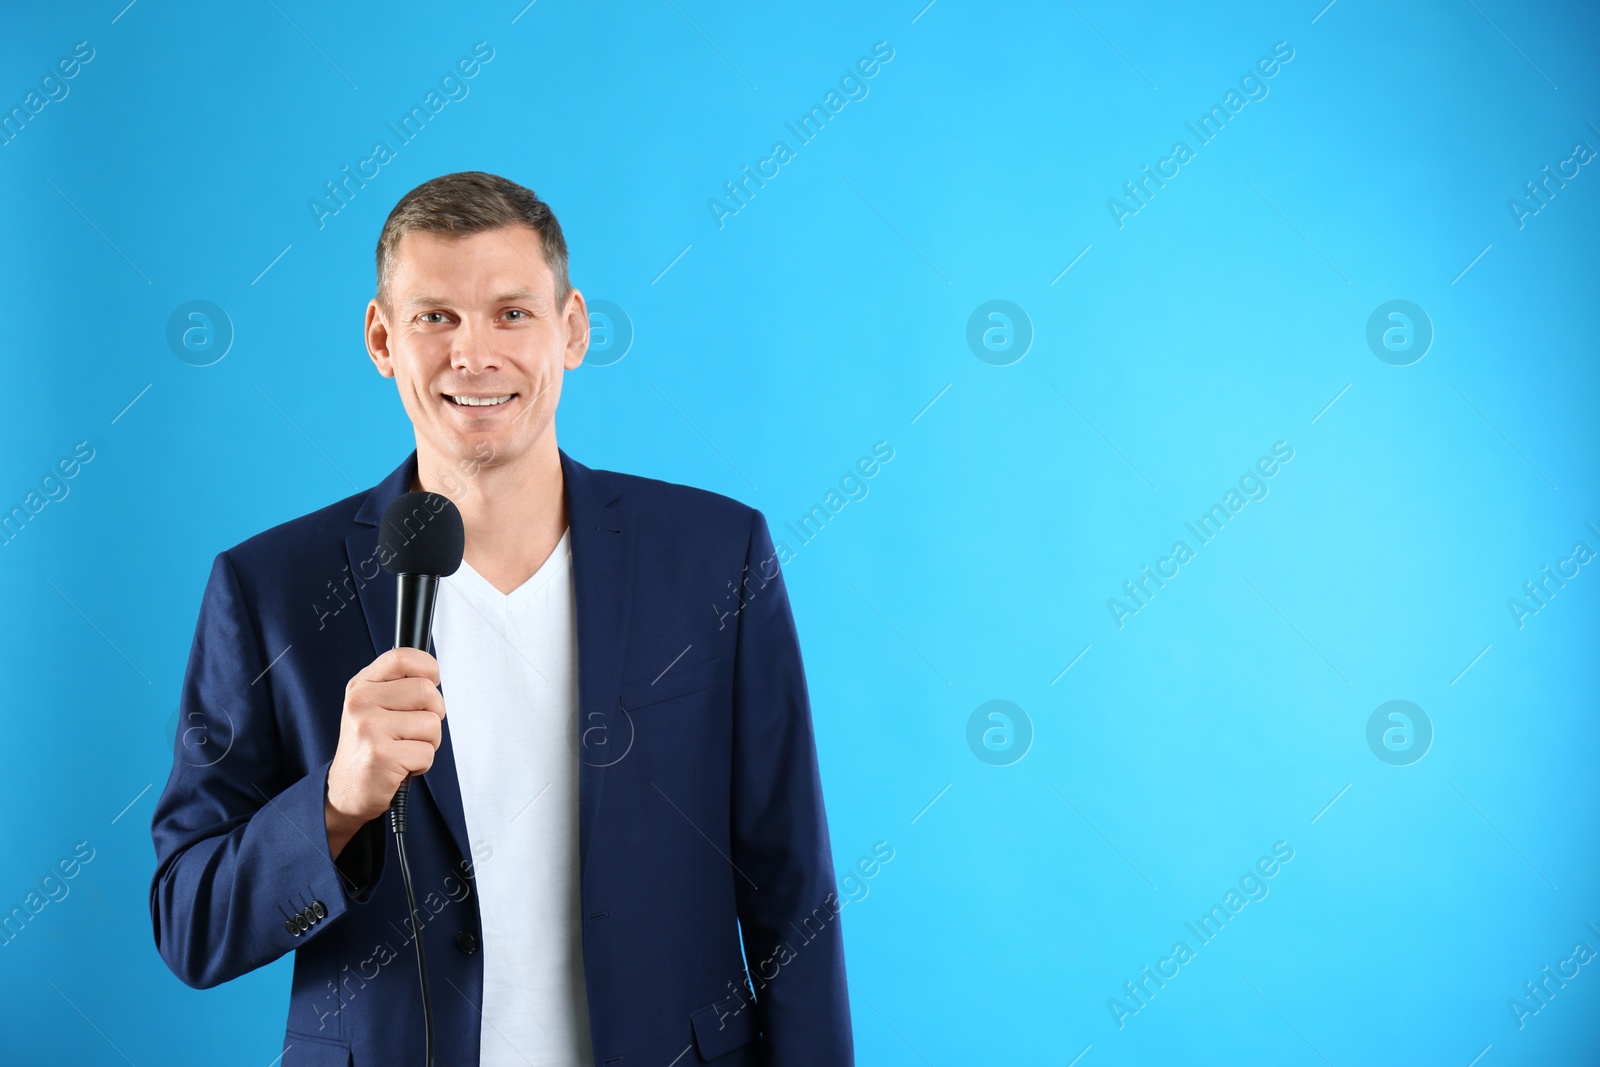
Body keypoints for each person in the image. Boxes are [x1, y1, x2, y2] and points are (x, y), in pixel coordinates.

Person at [149, 171, 853, 1066]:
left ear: (573, 330)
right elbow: (188, 922)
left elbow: (793, 888)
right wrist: (334, 804)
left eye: (512, 313)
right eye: (435, 316)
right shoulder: (268, 588)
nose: (473, 355)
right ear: (381, 338)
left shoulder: (717, 555)